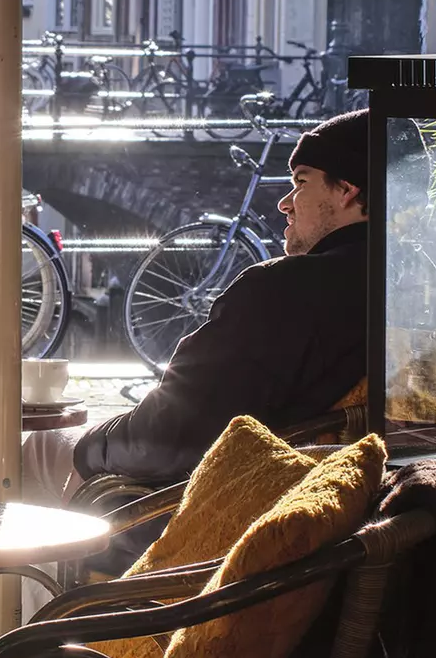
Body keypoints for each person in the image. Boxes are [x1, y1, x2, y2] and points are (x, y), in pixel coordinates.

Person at [24, 108, 373, 502]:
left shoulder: (281, 289)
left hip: (235, 510)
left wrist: (93, 446)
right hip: (344, 505)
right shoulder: (412, 288)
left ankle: (19, 564)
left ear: (347, 190)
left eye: (301, 182)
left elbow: (168, 438)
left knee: (41, 445)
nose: (285, 204)